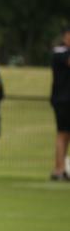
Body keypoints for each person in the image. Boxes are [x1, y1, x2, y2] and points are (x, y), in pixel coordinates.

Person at [50, 28, 70, 180]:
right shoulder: (60, 52)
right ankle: (59, 169)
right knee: (62, 133)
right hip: (63, 99)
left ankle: (62, 168)